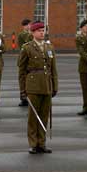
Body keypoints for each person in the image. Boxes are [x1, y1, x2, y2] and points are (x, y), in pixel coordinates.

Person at [19, 21, 58, 154]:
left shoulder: (49, 47)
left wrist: (55, 86)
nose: (42, 33)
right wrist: (22, 90)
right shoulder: (27, 48)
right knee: (33, 117)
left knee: (44, 115)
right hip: (33, 85)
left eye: (43, 30)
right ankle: (33, 143)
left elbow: (53, 69)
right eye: (39, 31)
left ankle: (42, 143)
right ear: (33, 33)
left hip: (46, 85)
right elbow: (22, 71)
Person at [17, 19, 33, 107]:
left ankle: (30, 97)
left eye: (29, 25)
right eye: (27, 25)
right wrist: (30, 34)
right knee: (22, 80)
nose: (28, 26)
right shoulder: (21, 35)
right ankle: (23, 98)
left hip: (31, 61)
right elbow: (22, 46)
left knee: (29, 80)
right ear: (23, 26)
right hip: (23, 59)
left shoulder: (32, 34)